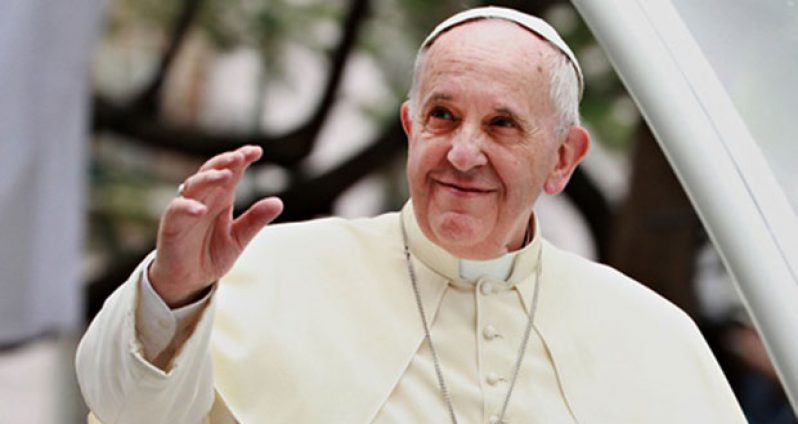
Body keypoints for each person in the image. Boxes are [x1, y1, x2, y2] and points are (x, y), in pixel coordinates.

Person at [76, 6, 746, 423]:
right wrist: (172, 294)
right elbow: (128, 411)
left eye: (503, 125)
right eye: (443, 115)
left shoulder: (654, 336)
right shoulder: (264, 273)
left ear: (564, 157)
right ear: (410, 126)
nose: (462, 152)